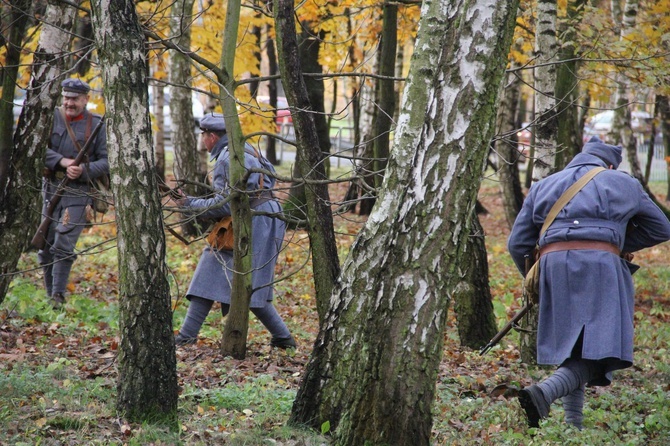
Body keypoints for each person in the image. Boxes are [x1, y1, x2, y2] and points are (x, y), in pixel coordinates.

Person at [507, 137, 670, 429]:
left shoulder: (544, 185)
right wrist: (613, 244)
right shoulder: (623, 182)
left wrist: (537, 280)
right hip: (602, 267)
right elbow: (661, 228)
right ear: (609, 164)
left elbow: (517, 243)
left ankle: (573, 426)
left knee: (573, 348)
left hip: (553, 268)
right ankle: (544, 392)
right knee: (600, 352)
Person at [173, 113, 295, 349]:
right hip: (263, 217)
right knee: (241, 281)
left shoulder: (227, 159)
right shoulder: (246, 149)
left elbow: (225, 204)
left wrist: (189, 204)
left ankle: (284, 339)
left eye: (204, 136)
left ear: (212, 136)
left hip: (252, 221)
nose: (203, 141)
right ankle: (283, 338)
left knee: (247, 283)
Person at [39, 78, 108, 309]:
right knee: (45, 244)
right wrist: (62, 161)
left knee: (63, 242)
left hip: (79, 192)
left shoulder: (96, 124)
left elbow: (107, 161)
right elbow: (37, 149)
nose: (69, 103)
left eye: (74, 99)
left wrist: (83, 170)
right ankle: (50, 295)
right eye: (66, 98)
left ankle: (57, 297)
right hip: (50, 189)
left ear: (86, 99)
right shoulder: (51, 118)